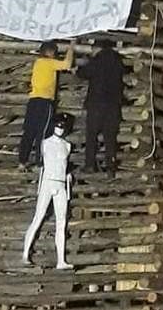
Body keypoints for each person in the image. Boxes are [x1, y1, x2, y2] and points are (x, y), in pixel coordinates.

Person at [22, 112, 74, 269]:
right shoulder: (45, 143)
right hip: (47, 183)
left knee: (61, 222)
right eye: (58, 126)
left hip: (61, 184)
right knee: (38, 218)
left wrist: (68, 174)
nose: (60, 129)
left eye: (63, 127)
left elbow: (65, 165)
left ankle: (61, 261)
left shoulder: (67, 146)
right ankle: (25, 254)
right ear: (53, 126)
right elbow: (40, 162)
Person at [18, 40, 75, 169]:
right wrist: (71, 47)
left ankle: (22, 161)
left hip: (33, 100)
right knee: (43, 132)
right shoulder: (49, 63)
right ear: (50, 52)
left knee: (29, 132)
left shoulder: (38, 63)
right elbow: (67, 64)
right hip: (44, 102)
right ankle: (40, 162)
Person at [76, 39, 126, 177]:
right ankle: (110, 167)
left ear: (97, 48)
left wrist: (79, 68)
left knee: (91, 135)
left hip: (96, 104)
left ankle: (90, 165)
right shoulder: (117, 61)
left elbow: (83, 73)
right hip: (113, 105)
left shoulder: (97, 60)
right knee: (110, 137)